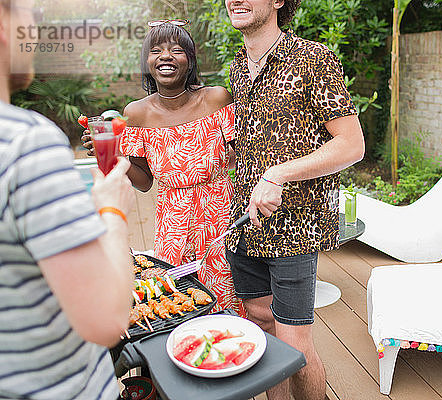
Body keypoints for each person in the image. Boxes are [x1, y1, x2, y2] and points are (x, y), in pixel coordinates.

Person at [224, 0, 365, 399]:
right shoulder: (238, 66)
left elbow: (352, 145)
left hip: (295, 228)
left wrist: (279, 172)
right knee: (262, 329)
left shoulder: (313, 59)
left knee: (295, 347)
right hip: (245, 224)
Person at [0, 1, 136, 399]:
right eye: (34, 17)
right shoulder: (26, 143)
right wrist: (112, 210)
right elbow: (106, 319)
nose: (37, 33)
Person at [83, 21, 244, 316]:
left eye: (176, 50)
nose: (165, 56)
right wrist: (113, 152)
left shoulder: (217, 99)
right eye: (156, 50)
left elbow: (245, 155)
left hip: (221, 219)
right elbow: (144, 182)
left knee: (226, 301)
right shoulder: (136, 113)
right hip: (172, 223)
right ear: (147, 62)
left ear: (190, 60)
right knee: (177, 303)